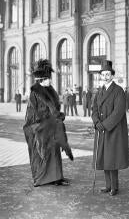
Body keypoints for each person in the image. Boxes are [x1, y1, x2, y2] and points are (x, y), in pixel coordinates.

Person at [23, 59, 73, 187]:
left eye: (49, 78)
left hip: (51, 127)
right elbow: (33, 113)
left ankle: (57, 178)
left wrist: (57, 116)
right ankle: (44, 179)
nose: (50, 81)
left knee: (55, 152)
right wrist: (48, 119)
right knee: (44, 153)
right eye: (47, 79)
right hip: (41, 128)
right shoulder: (35, 93)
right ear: (41, 80)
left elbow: (54, 108)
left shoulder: (50, 90)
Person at [92, 60, 129, 196]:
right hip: (101, 130)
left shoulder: (118, 91)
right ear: (101, 76)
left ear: (112, 76)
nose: (106, 76)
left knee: (112, 158)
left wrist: (104, 125)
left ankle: (114, 187)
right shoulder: (99, 91)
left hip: (113, 130)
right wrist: (96, 123)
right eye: (103, 74)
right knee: (103, 157)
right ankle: (107, 185)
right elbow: (94, 109)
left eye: (108, 74)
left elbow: (118, 112)